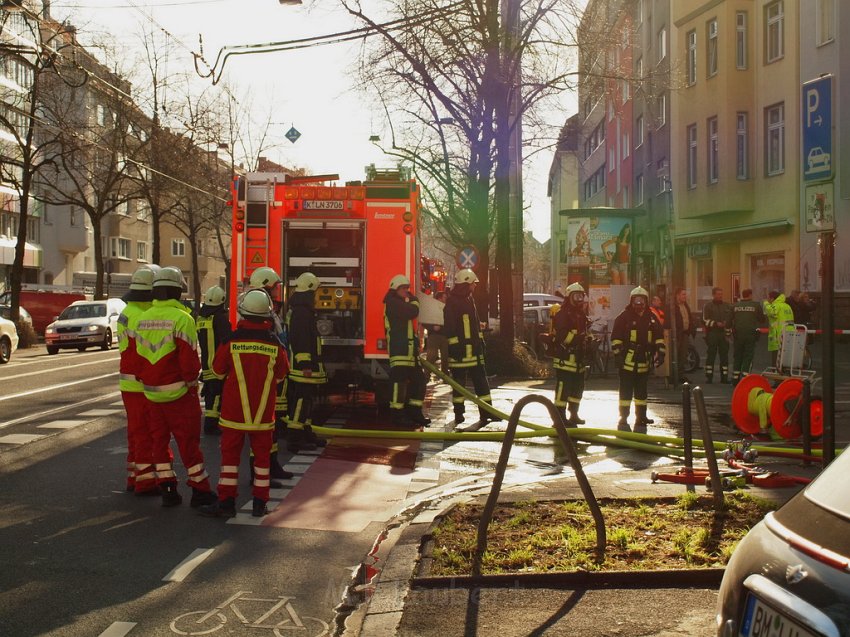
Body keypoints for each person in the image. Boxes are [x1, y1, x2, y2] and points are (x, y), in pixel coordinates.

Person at [126, 266, 216, 508]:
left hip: (151, 394)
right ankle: (200, 490)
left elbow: (135, 361)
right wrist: (191, 384)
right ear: (177, 291)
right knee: (189, 443)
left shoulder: (141, 319)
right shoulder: (182, 319)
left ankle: (168, 489)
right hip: (179, 394)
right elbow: (189, 361)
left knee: (159, 442)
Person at [199, 290, 290, 518]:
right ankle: (260, 503)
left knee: (229, 460)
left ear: (243, 313)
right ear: (267, 315)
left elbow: (217, 371)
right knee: (262, 460)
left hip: (233, 414)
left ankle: (226, 503)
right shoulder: (275, 344)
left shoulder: (231, 341)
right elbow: (281, 375)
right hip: (263, 416)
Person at [117, 265, 157, 495]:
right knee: (146, 432)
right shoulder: (142, 316)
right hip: (141, 382)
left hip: (128, 382)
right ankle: (146, 481)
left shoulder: (127, 312)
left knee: (135, 431)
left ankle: (134, 475)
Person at [444, 268, 497, 426]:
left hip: (473, 350)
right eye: (473, 284)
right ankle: (459, 414)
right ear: (466, 284)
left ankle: (487, 412)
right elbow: (450, 328)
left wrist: (480, 342)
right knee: (459, 384)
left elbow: (472, 325)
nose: (475, 286)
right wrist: (455, 348)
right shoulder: (452, 302)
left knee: (481, 382)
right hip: (460, 352)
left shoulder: (469, 299)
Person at [611, 286, 665, 433]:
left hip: (644, 360)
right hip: (627, 360)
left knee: (642, 392)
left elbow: (659, 337)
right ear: (631, 301)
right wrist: (618, 355)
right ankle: (623, 417)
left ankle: (641, 416)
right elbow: (615, 338)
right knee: (626, 391)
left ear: (646, 301)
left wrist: (661, 352)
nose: (639, 304)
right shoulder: (624, 317)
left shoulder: (652, 317)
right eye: (636, 300)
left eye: (641, 300)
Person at [285, 271, 328, 450]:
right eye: (315, 292)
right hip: (303, 367)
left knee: (307, 400)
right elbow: (300, 339)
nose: (317, 296)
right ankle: (295, 438)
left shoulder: (301, 309)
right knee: (301, 400)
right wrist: (305, 364)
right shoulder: (302, 312)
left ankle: (306, 432)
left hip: (304, 365)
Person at [383, 274, 430, 427]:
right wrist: (415, 300)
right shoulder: (392, 303)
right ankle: (397, 416)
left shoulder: (398, 302)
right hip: (400, 350)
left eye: (407, 289)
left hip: (409, 351)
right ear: (395, 289)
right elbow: (412, 312)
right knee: (399, 383)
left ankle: (414, 412)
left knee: (419, 381)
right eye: (403, 289)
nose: (406, 291)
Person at [551, 282, 591, 426]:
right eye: (576, 296)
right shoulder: (562, 314)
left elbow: (584, 332)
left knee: (577, 388)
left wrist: (589, 340)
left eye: (581, 296)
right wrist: (578, 339)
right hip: (565, 358)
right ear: (569, 297)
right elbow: (562, 336)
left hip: (578, 359)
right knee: (563, 388)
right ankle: (559, 418)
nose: (579, 299)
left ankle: (574, 415)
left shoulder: (580, 314)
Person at [196, 285, 231, 436]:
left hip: (206, 363)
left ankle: (210, 423)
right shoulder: (220, 319)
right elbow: (227, 341)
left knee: (211, 393)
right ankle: (211, 425)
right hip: (217, 363)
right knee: (216, 394)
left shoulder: (201, 317)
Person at [731, 288, 765, 385]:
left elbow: (729, 320)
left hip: (738, 335)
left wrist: (728, 333)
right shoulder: (756, 305)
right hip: (750, 334)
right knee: (748, 356)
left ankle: (735, 378)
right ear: (750, 295)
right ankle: (745, 378)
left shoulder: (735, 306)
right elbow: (762, 319)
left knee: (737, 356)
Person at [702, 287, 732, 384]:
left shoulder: (727, 306)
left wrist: (726, 324)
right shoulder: (708, 306)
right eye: (718, 294)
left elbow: (731, 319)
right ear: (713, 295)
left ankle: (724, 377)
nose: (720, 296)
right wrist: (715, 324)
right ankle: (709, 377)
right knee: (711, 355)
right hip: (712, 334)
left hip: (724, 334)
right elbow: (704, 320)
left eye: (721, 294)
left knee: (724, 357)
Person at [764, 290, 794, 366]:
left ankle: (777, 373)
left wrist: (766, 304)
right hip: (789, 334)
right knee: (786, 358)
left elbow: (771, 312)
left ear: (772, 298)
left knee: (777, 359)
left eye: (768, 298)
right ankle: (785, 373)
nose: (767, 300)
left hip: (778, 335)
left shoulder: (776, 306)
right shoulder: (787, 306)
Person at [423, 289, 449, 378]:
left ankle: (445, 376)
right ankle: (426, 375)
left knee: (445, 358)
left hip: (444, 335)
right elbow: (424, 321)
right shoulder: (432, 309)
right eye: (444, 297)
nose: (446, 299)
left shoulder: (446, 309)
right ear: (439, 298)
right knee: (432, 356)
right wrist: (432, 327)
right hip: (434, 336)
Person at [672, 288, 695, 383]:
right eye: (683, 294)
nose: (685, 296)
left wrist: (691, 329)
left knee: (683, 356)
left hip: (685, 334)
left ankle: (681, 375)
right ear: (677, 295)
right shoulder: (673, 306)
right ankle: (673, 376)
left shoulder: (685, 305)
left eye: (685, 294)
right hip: (677, 335)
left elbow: (688, 318)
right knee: (675, 355)